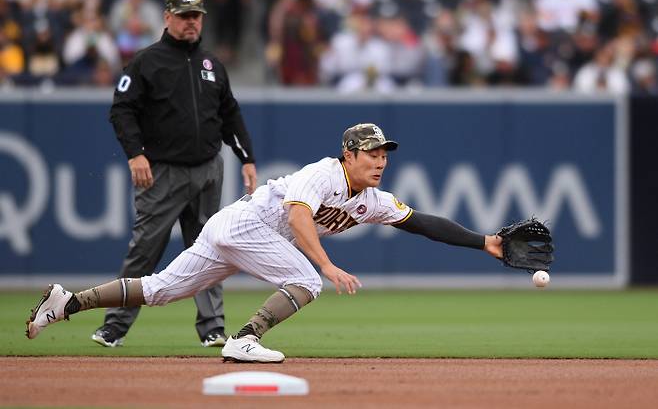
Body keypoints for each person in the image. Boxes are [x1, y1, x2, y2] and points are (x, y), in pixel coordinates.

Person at [26, 123, 502, 363]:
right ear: (348, 155)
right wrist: (328, 266)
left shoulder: (372, 199)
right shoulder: (324, 173)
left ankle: (67, 302)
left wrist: (484, 241)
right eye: (371, 154)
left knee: (162, 290)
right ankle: (245, 339)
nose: (380, 161)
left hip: (233, 229)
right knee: (306, 279)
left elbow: (422, 222)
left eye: (384, 155)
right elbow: (298, 217)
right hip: (243, 227)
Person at [91, 0, 257, 349]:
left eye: (195, 16)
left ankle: (212, 327)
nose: (190, 22)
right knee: (146, 249)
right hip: (162, 171)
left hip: (208, 170)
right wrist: (135, 154)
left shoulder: (211, 64)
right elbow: (122, 110)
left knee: (211, 248)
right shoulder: (146, 61)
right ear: (167, 18)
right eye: (183, 16)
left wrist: (246, 158)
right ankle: (114, 326)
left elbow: (229, 113)